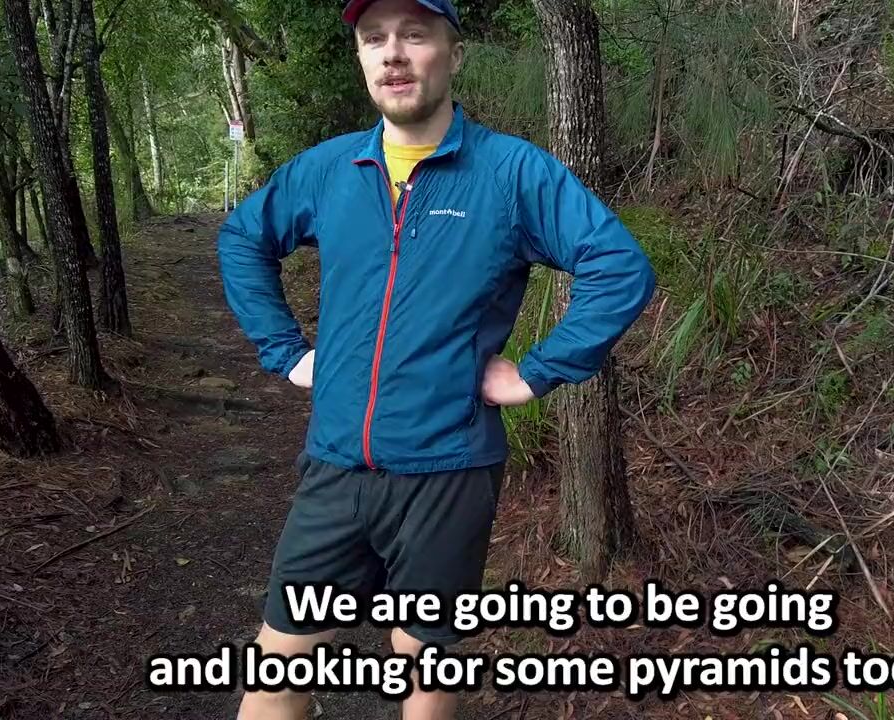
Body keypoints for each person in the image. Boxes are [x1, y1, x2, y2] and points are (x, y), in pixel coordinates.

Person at [215, 0, 656, 716]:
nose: (393, 53)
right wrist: (286, 351)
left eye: (415, 36)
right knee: (278, 665)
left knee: (424, 661)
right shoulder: (330, 169)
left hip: (448, 472)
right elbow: (243, 238)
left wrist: (537, 371)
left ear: (454, 54)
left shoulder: (511, 173)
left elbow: (618, 266)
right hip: (336, 466)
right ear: (361, 58)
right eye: (374, 39)